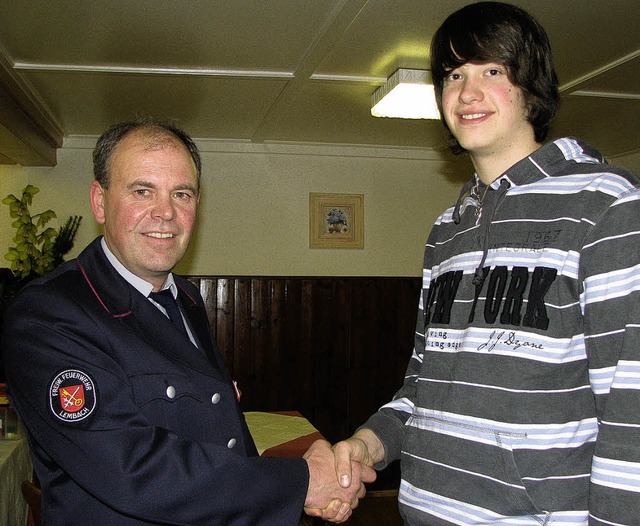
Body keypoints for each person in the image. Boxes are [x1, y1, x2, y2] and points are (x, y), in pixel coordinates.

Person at [332, 2, 640, 525]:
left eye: (491, 71)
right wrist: (370, 443)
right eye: (454, 75)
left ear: (530, 86)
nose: (466, 93)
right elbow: (426, 383)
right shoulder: (446, 231)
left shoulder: (607, 204)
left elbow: (631, 406)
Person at [1, 118, 373, 525]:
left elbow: (223, 432)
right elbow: (132, 471)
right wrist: (299, 482)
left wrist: (298, 490)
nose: (165, 213)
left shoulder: (186, 299)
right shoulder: (48, 315)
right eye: (142, 191)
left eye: (182, 194)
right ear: (99, 201)